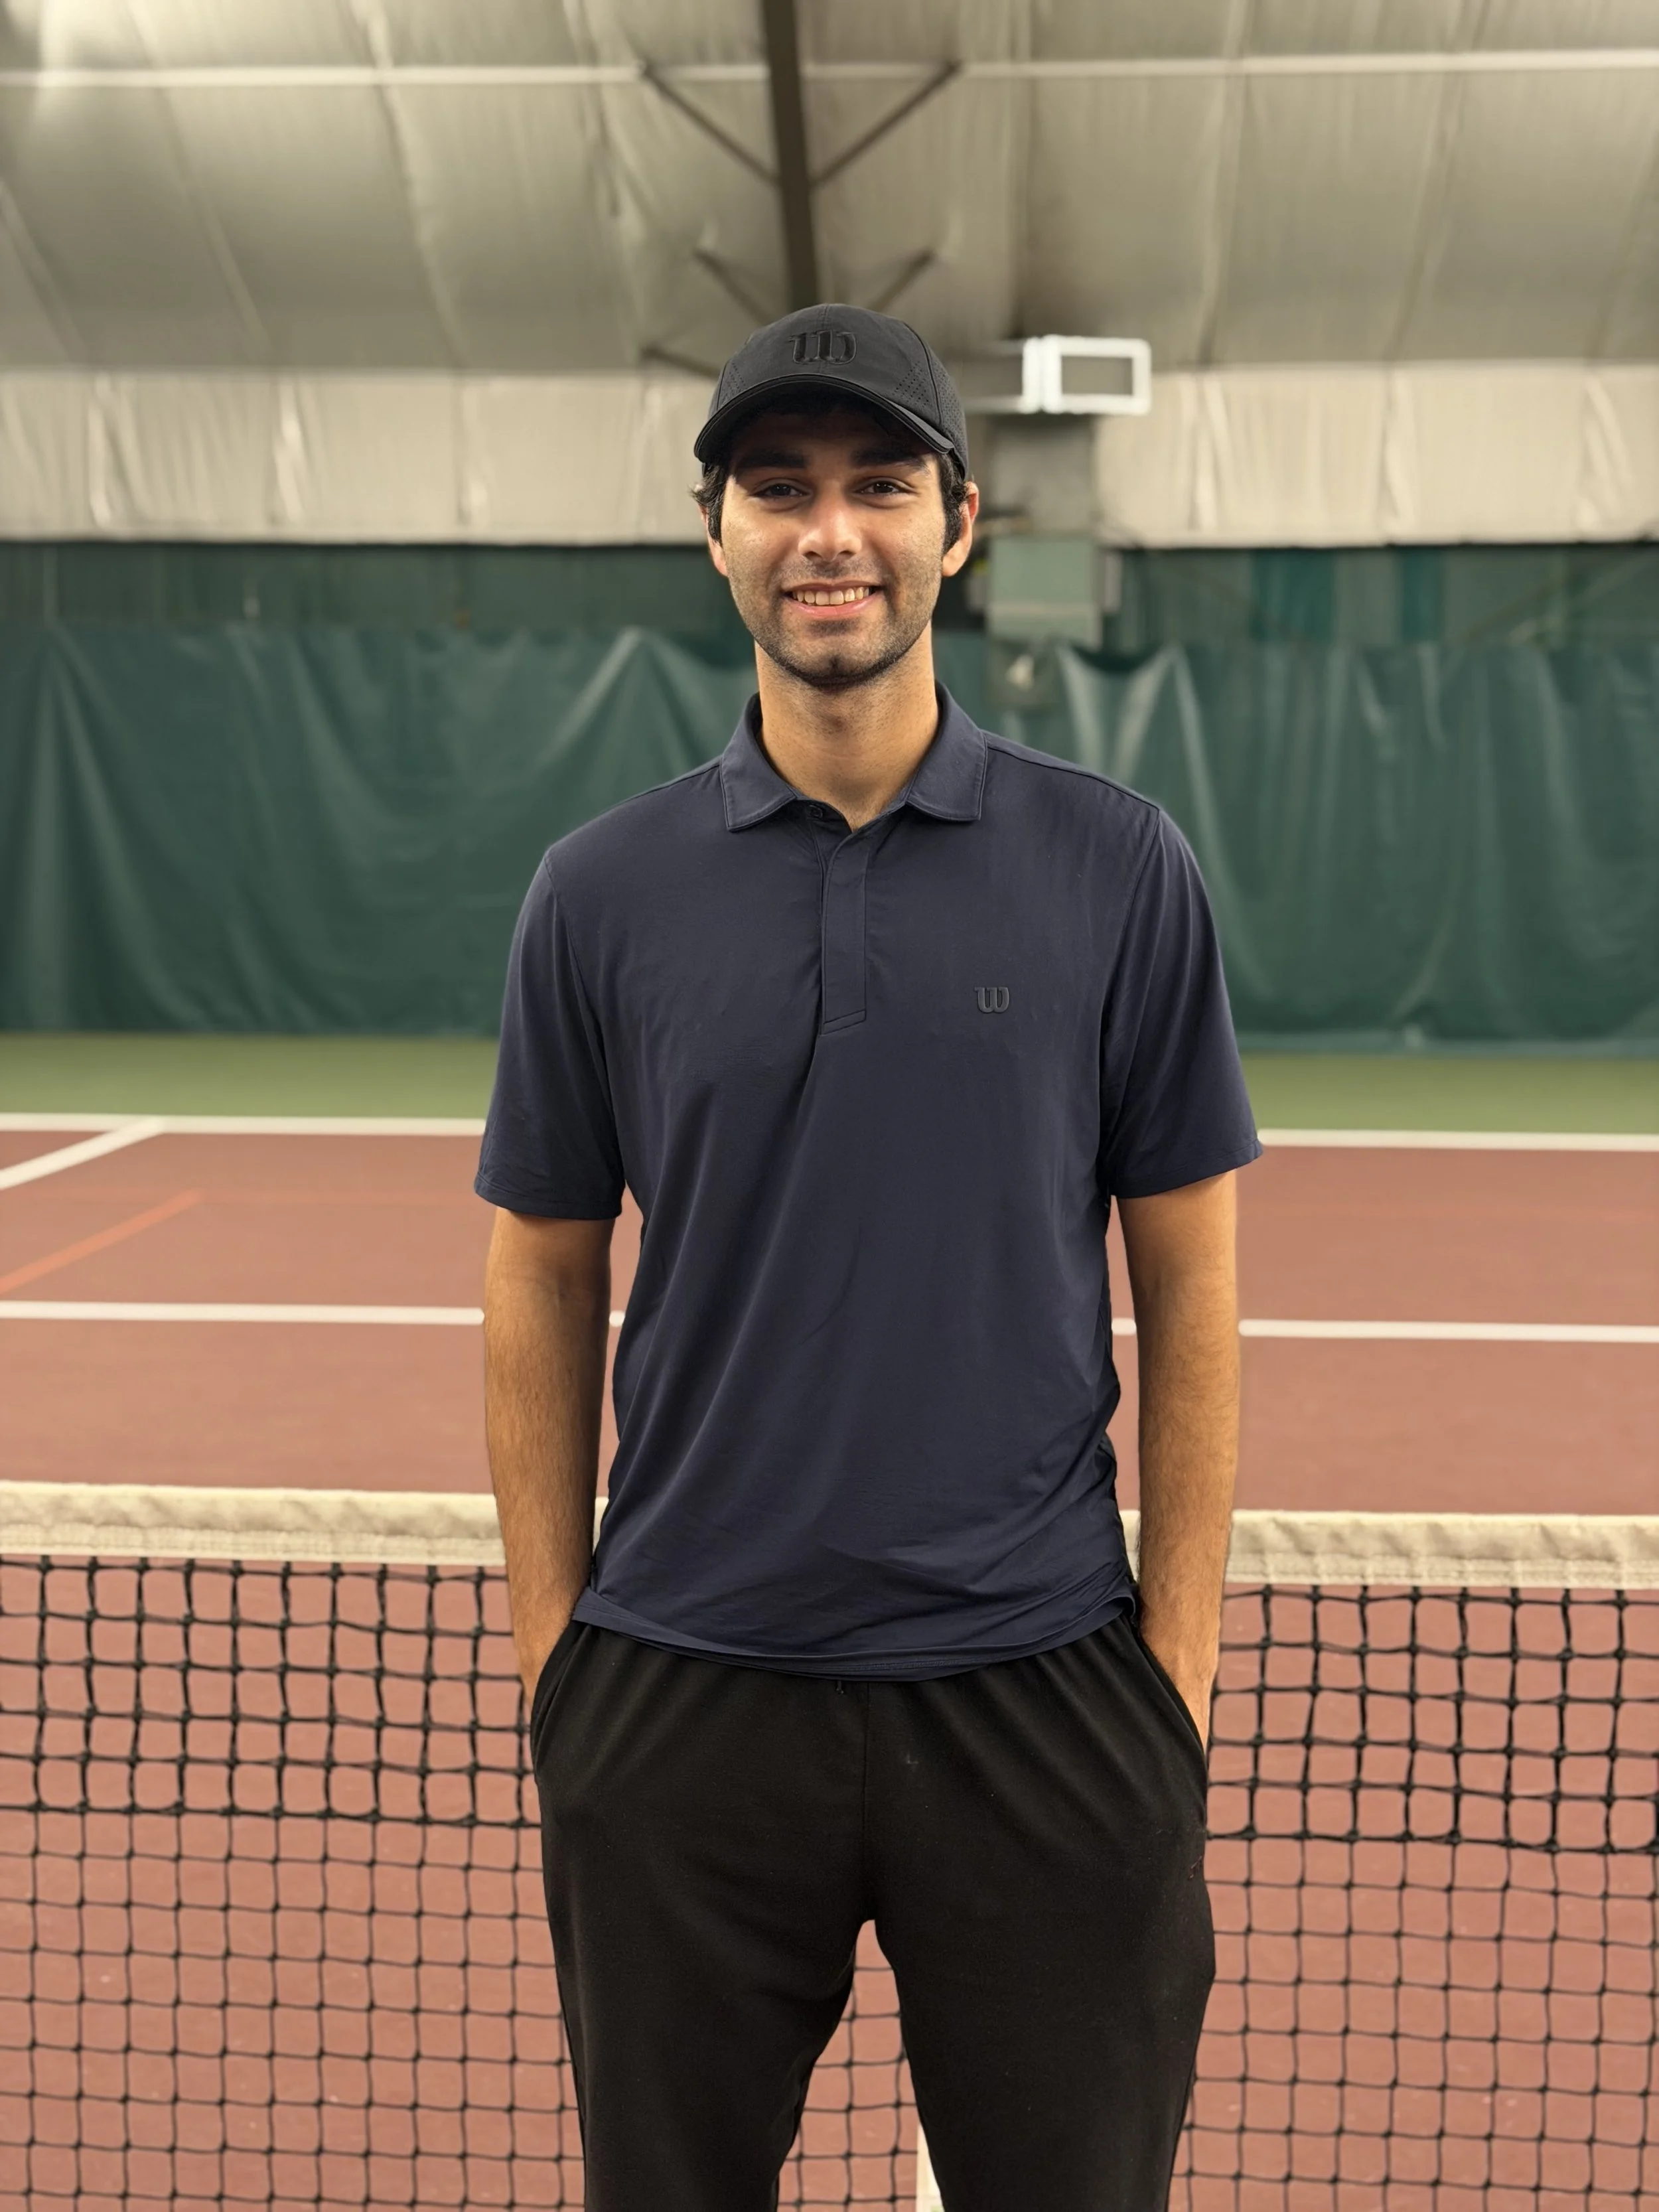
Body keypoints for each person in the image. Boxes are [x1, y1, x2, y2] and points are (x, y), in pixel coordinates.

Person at [476, 303, 1260, 2212]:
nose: (830, 532)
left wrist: (1170, 1682)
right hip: (679, 1697)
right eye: (778, 488)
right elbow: (541, 1275)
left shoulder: (1118, 865)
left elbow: (1193, 1291)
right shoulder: (597, 892)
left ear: (958, 526)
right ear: (718, 535)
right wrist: (558, 1663)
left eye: (877, 486)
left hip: (1043, 1692)